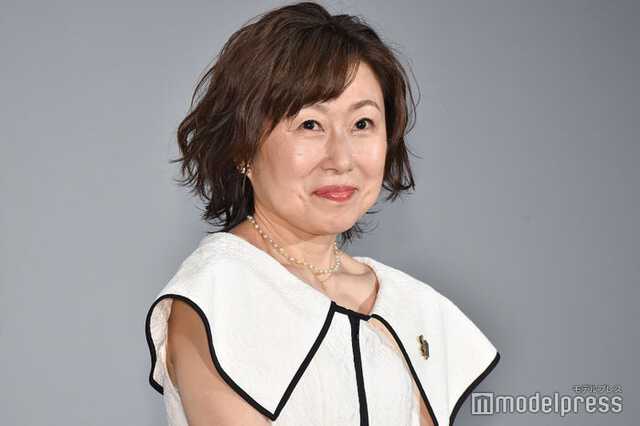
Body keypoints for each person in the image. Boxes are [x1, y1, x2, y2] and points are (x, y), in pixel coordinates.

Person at [144, 2, 500, 425]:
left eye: (362, 124)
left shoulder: (410, 305)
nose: (341, 159)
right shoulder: (216, 293)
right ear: (242, 147)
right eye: (310, 124)